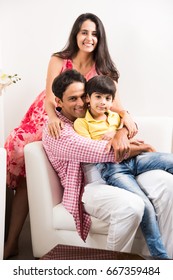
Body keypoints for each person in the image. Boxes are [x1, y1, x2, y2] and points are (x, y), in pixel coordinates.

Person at [4, 13, 137, 259]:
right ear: (76, 34)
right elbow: (48, 96)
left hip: (76, 121)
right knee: (26, 174)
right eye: (84, 32)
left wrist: (126, 116)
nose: (89, 38)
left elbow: (114, 104)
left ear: (100, 38)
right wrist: (53, 117)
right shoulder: (59, 59)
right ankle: (11, 242)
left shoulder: (104, 69)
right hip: (49, 115)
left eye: (94, 34)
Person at [43, 69, 173, 258]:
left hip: (123, 167)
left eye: (82, 97)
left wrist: (121, 130)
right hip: (90, 185)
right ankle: (110, 266)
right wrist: (142, 147)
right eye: (73, 99)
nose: (81, 104)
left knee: (167, 185)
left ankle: (161, 261)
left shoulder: (93, 112)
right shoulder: (57, 130)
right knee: (132, 206)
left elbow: (122, 124)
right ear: (59, 102)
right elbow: (101, 152)